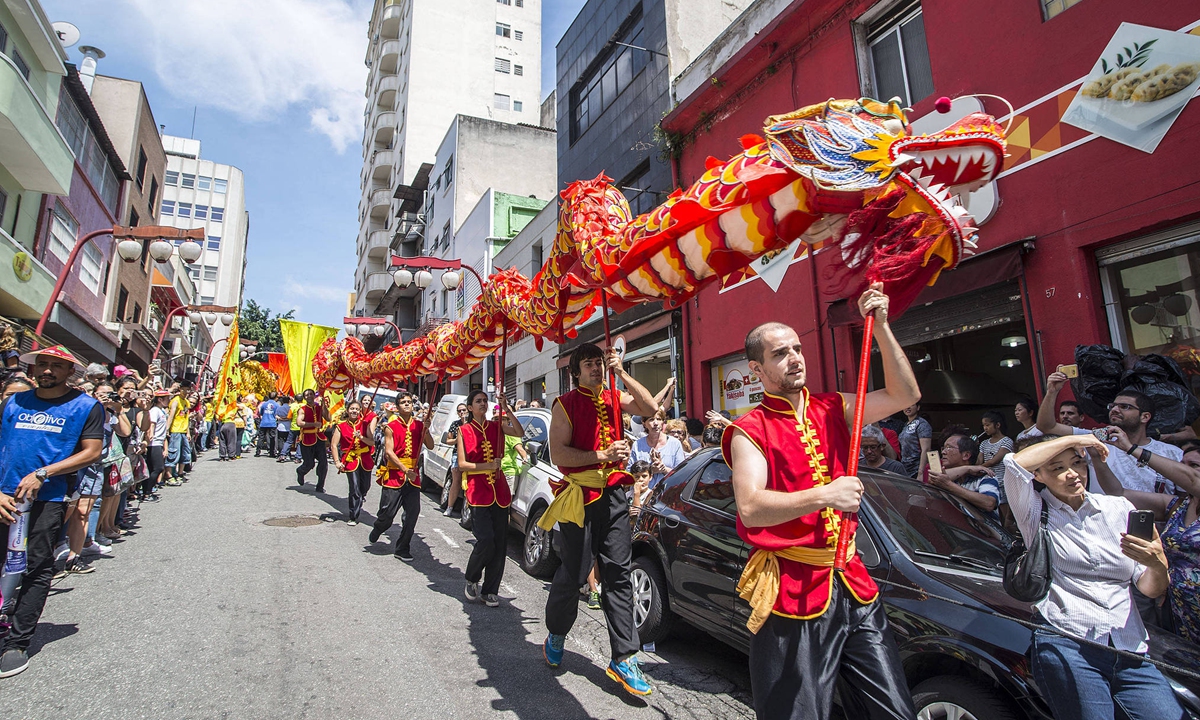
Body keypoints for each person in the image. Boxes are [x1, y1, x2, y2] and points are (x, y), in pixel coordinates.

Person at [725, 284, 920, 720]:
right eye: (780, 353)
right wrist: (825, 494)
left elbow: (905, 396)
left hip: (853, 582)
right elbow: (751, 507)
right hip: (792, 590)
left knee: (894, 711)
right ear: (757, 370)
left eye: (797, 348)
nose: (795, 357)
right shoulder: (749, 429)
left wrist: (884, 328)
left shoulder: (834, 407)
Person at [1002, 435, 1184, 720]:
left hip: (1130, 649)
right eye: (1057, 468)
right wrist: (1077, 437)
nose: (1072, 473)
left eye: (1077, 462)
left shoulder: (1120, 509)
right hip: (1067, 643)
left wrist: (1157, 565)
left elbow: (1149, 589)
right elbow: (1013, 463)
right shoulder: (1034, 511)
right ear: (1038, 475)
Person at [540, 342, 658, 696]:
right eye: (588, 364)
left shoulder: (614, 396)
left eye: (598, 363)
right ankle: (557, 632)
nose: (595, 368)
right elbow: (559, 454)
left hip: (615, 496)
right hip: (580, 497)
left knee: (619, 572)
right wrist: (602, 453)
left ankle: (624, 657)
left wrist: (621, 371)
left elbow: (651, 407)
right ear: (575, 371)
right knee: (573, 572)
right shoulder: (565, 405)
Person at [0, 346, 104, 678]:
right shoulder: (13, 402)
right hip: (4, 495)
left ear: (69, 372)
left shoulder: (87, 406)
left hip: (49, 499)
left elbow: (92, 452)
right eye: (42, 364)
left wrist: (45, 473)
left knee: (36, 565)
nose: (46, 370)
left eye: (55, 366)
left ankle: (16, 642)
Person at [1089, 431, 1200, 643]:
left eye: (1193, 465)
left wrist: (1131, 449)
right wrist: (1097, 460)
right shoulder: (1177, 506)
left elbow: (1192, 479)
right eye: (1182, 463)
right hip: (1180, 608)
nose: (1184, 469)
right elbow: (1119, 494)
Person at [459, 391, 524, 605]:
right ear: (469, 407)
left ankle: (490, 589)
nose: (483, 404)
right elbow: (462, 465)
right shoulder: (464, 430)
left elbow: (519, 431)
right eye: (478, 401)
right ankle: (472, 577)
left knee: (500, 542)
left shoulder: (496, 426)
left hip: (499, 491)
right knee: (485, 539)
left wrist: (507, 408)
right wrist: (487, 466)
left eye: (485, 401)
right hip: (478, 491)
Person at [369, 392, 433, 561]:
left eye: (409, 402)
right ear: (397, 407)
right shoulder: (391, 426)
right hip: (394, 474)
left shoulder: (419, 425)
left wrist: (426, 429)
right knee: (387, 513)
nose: (407, 404)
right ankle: (379, 526)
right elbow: (389, 452)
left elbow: (431, 445)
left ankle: (402, 547)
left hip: (413, 476)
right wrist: (405, 470)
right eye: (403, 402)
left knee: (412, 514)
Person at [927, 432, 1001, 523]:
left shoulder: (985, 476)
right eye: (943, 448)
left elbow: (989, 503)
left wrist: (949, 485)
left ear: (966, 455)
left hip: (983, 535)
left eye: (949, 447)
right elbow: (933, 478)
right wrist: (967, 468)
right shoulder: (951, 477)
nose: (943, 452)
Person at [331, 401, 376, 526]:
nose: (354, 411)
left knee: (365, 486)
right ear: (347, 410)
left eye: (357, 409)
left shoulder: (365, 424)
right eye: (352, 409)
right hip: (350, 460)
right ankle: (353, 515)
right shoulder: (341, 426)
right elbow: (334, 445)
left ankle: (359, 500)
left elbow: (372, 442)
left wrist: (361, 437)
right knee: (354, 487)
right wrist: (337, 462)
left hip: (365, 459)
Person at [629, 409, 687, 485]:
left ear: (663, 422)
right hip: (643, 493)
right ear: (644, 423)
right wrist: (650, 470)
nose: (655, 423)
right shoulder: (637, 445)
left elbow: (681, 473)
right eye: (651, 419)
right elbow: (630, 472)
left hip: (667, 492)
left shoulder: (675, 444)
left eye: (659, 419)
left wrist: (663, 469)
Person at [978, 410, 1014, 524]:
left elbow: (994, 461)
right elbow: (979, 460)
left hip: (1003, 484)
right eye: (983, 425)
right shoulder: (983, 444)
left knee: (1006, 518)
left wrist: (978, 468)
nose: (985, 428)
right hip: (989, 484)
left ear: (997, 425)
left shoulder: (1007, 441)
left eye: (988, 425)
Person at [296, 389, 330, 492]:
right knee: (309, 464)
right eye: (307, 395)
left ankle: (320, 486)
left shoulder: (319, 407)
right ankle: (300, 471)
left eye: (311, 394)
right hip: (307, 438)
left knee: (323, 463)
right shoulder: (302, 409)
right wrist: (313, 425)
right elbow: (299, 423)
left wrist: (324, 406)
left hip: (319, 438)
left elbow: (328, 418)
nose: (309, 396)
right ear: (304, 397)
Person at [441, 403, 469, 517]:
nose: (462, 412)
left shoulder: (473, 423)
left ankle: (468, 509)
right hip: (458, 454)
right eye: (459, 411)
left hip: (471, 455)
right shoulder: (455, 424)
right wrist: (458, 439)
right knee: (456, 480)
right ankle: (450, 507)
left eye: (463, 410)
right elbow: (448, 440)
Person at [163, 380, 193, 486]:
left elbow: (186, 418)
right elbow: (171, 415)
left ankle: (180, 474)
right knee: (173, 454)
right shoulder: (176, 401)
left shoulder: (186, 402)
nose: (186, 392)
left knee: (185, 454)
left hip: (183, 431)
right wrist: (167, 428)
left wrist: (188, 432)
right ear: (180, 389)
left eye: (188, 390)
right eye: (184, 389)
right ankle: (169, 475)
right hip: (175, 430)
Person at [898, 402, 932, 478]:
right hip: (906, 468)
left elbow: (926, 449)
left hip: (917, 468)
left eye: (912, 405)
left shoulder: (922, 424)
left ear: (918, 407)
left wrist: (921, 472)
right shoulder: (906, 424)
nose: (908, 407)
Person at [145, 390, 169, 491]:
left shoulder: (161, 411)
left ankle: (148, 489)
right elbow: (152, 424)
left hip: (159, 442)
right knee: (158, 468)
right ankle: (147, 490)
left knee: (154, 468)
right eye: (167, 399)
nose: (169, 400)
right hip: (153, 443)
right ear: (160, 399)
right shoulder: (154, 410)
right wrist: (150, 434)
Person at [256, 392, 280, 458]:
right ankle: (271, 452)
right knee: (272, 438)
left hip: (264, 422)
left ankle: (257, 452)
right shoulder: (277, 405)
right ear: (276, 397)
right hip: (272, 423)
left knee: (261, 437)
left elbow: (261, 413)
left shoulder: (264, 404)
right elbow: (277, 414)